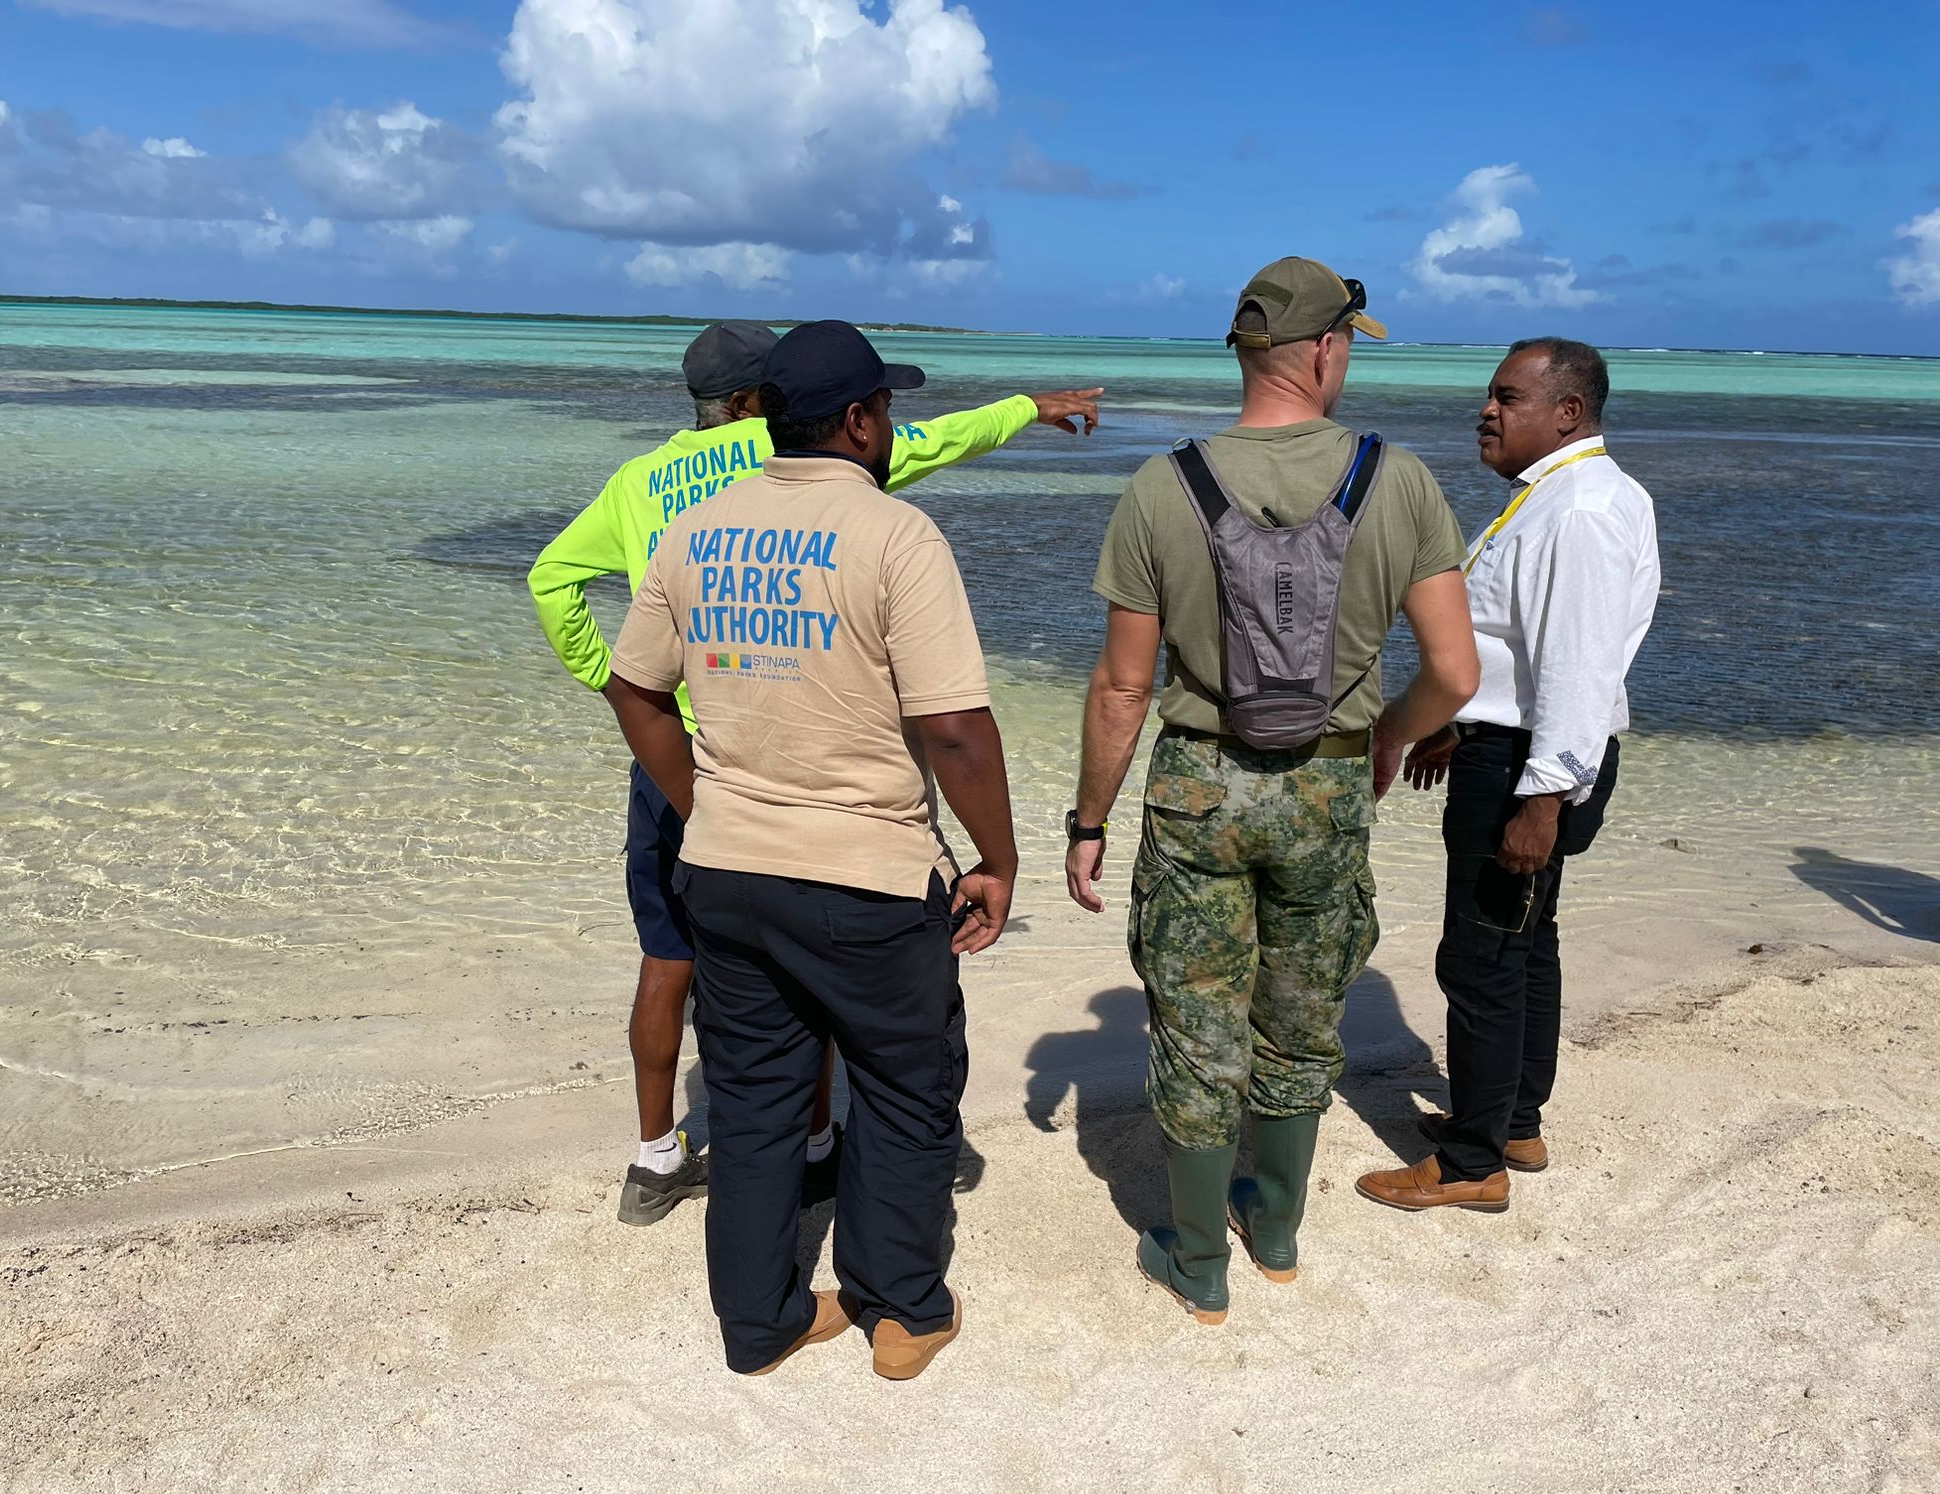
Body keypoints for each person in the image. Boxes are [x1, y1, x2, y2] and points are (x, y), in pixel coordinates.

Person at [529, 321, 1099, 1227]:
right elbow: (932, 440)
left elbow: (551, 577)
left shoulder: (638, 482)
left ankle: (654, 1159)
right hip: (791, 752)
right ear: (763, 402)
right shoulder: (799, 450)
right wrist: (1029, 407)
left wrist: (615, 682)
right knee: (816, 950)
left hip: (677, 749)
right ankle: (818, 1145)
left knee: (670, 953)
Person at [1065, 258, 1480, 1323]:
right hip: (1328, 786)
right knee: (1299, 1017)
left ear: (1248, 353)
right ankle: (1277, 1230)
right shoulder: (1400, 480)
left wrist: (1089, 820)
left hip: (1198, 785)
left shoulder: (1164, 486)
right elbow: (1455, 674)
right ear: (1326, 350)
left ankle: (1198, 1262)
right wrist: (1387, 738)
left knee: (1197, 1025)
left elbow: (1120, 687)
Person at [605, 319, 1016, 1379]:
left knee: (751, 1106)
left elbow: (633, 688)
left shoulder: (693, 528)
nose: (894, 425)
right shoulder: (896, 536)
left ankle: (761, 1322)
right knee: (902, 1086)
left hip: (727, 874)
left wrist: (701, 804)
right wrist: (996, 858)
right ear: (857, 420)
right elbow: (956, 729)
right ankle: (901, 1309)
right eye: (888, 407)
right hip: (868, 878)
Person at [1357, 338, 1659, 1214]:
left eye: (1508, 397)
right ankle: (1513, 1118)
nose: (1486, 411)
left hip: (1533, 764)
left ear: (1568, 412)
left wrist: (1545, 793)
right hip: (1515, 745)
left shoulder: (1583, 510)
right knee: (1525, 942)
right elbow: (1521, 648)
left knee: (1482, 955)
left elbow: (1579, 661)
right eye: (1490, 395)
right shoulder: (1561, 498)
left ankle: (1471, 1163)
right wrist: (1461, 719)